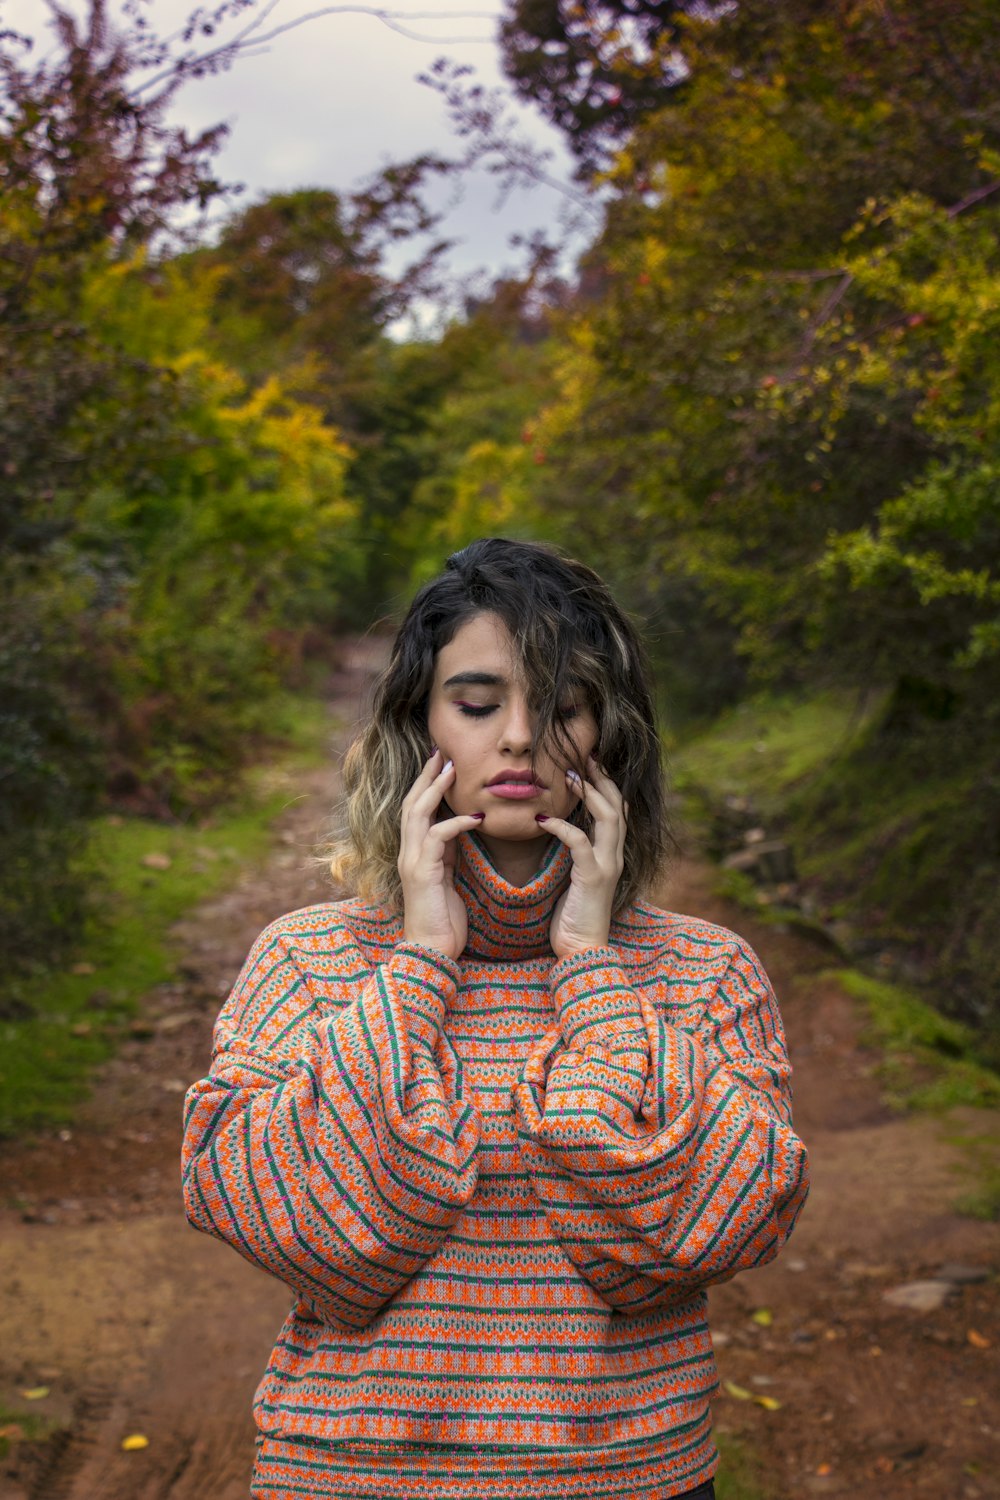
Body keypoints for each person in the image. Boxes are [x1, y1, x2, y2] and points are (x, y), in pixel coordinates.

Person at [182, 537, 809, 1500]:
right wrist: (421, 961)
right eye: (477, 705)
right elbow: (312, 1234)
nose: (518, 739)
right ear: (419, 725)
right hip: (350, 1479)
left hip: (627, 1478)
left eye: (562, 707)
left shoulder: (702, 973)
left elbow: (706, 1229)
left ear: (609, 735)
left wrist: (593, 969)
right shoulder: (307, 962)